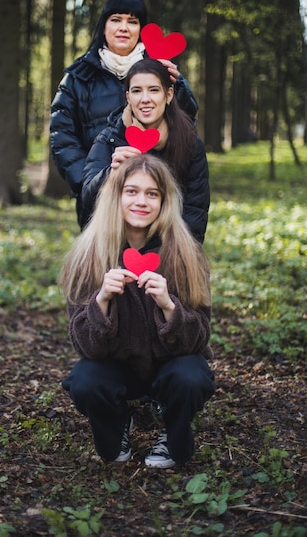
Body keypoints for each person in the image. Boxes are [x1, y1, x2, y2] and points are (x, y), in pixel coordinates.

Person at [59, 155, 215, 468]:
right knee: (85, 379)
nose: (141, 201)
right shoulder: (89, 253)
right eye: (131, 191)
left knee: (191, 375)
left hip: (169, 367)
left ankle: (173, 433)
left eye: (152, 193)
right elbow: (84, 345)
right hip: (117, 367)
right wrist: (101, 299)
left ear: (164, 201)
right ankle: (117, 424)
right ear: (115, 196)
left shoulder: (185, 251)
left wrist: (169, 306)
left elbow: (199, 336)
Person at [50, 0, 198, 221]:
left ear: (141, 29)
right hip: (101, 195)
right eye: (116, 19)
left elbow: (187, 124)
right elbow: (62, 136)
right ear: (103, 25)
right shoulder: (78, 77)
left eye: (132, 21)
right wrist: (89, 184)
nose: (124, 28)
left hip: (153, 193)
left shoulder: (160, 72)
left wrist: (179, 85)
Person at [79, 58, 209, 242]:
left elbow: (195, 212)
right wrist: (111, 173)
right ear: (128, 97)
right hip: (116, 246)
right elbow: (87, 201)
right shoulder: (109, 139)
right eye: (137, 91)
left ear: (169, 94)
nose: (145, 99)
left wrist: (173, 260)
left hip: (170, 249)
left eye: (154, 90)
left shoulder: (189, 143)